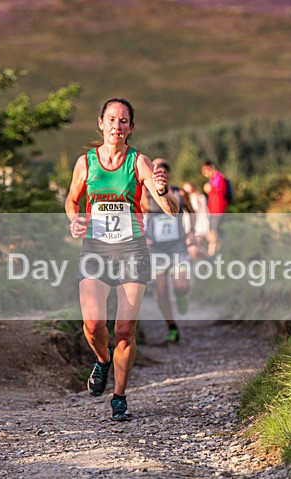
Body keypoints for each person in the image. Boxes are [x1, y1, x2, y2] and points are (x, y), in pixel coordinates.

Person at [65, 98, 178, 421]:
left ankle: (119, 397)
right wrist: (74, 219)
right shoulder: (85, 162)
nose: (117, 125)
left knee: (125, 330)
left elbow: (172, 210)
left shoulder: (139, 162)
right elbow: (72, 200)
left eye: (124, 120)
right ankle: (102, 360)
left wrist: (164, 190)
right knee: (92, 323)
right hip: (96, 248)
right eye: (112, 119)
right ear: (100, 123)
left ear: (131, 127)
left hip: (132, 249)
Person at [142, 159, 194, 343]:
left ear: (168, 174)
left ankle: (181, 296)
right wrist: (143, 235)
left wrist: (191, 233)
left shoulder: (179, 193)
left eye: (162, 170)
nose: (159, 173)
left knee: (181, 286)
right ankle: (172, 326)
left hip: (177, 245)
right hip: (156, 248)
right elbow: (140, 215)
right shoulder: (146, 195)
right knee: (161, 291)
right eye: (155, 170)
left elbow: (191, 211)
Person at [201, 160, 228, 257]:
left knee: (213, 233)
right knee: (214, 232)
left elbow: (220, 192)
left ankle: (211, 255)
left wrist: (210, 189)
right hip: (213, 210)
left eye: (206, 171)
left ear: (211, 168)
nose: (205, 174)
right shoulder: (212, 179)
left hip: (218, 210)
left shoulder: (219, 178)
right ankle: (217, 252)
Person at [181, 181, 209, 260]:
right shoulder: (184, 199)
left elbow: (204, 212)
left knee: (193, 246)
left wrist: (206, 226)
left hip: (198, 225)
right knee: (193, 246)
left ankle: (207, 259)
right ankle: (207, 259)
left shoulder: (199, 197)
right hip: (188, 226)